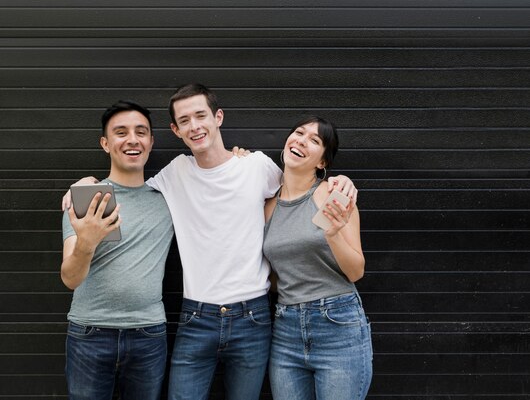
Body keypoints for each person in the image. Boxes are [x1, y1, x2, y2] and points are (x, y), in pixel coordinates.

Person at [62, 84, 358, 400]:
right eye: (185, 120)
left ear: (218, 117)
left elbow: (298, 187)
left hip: (253, 316)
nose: (195, 126)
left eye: (201, 115)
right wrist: (86, 184)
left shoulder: (257, 166)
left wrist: (337, 181)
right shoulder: (174, 173)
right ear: (176, 130)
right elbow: (129, 187)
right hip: (195, 317)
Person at [60, 100, 174, 400]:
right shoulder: (86, 199)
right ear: (105, 143)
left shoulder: (170, 198)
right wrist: (88, 240)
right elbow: (70, 278)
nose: (132, 139)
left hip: (149, 335)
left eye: (141, 132)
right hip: (89, 334)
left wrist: (239, 155)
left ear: (151, 141)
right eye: (121, 132)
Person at [262, 116, 373, 400]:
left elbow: (356, 271)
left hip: (337, 324)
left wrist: (333, 234)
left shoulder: (332, 194)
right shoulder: (268, 206)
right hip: (286, 328)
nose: (301, 140)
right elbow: (275, 276)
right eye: (299, 133)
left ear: (322, 162)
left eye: (314, 140)